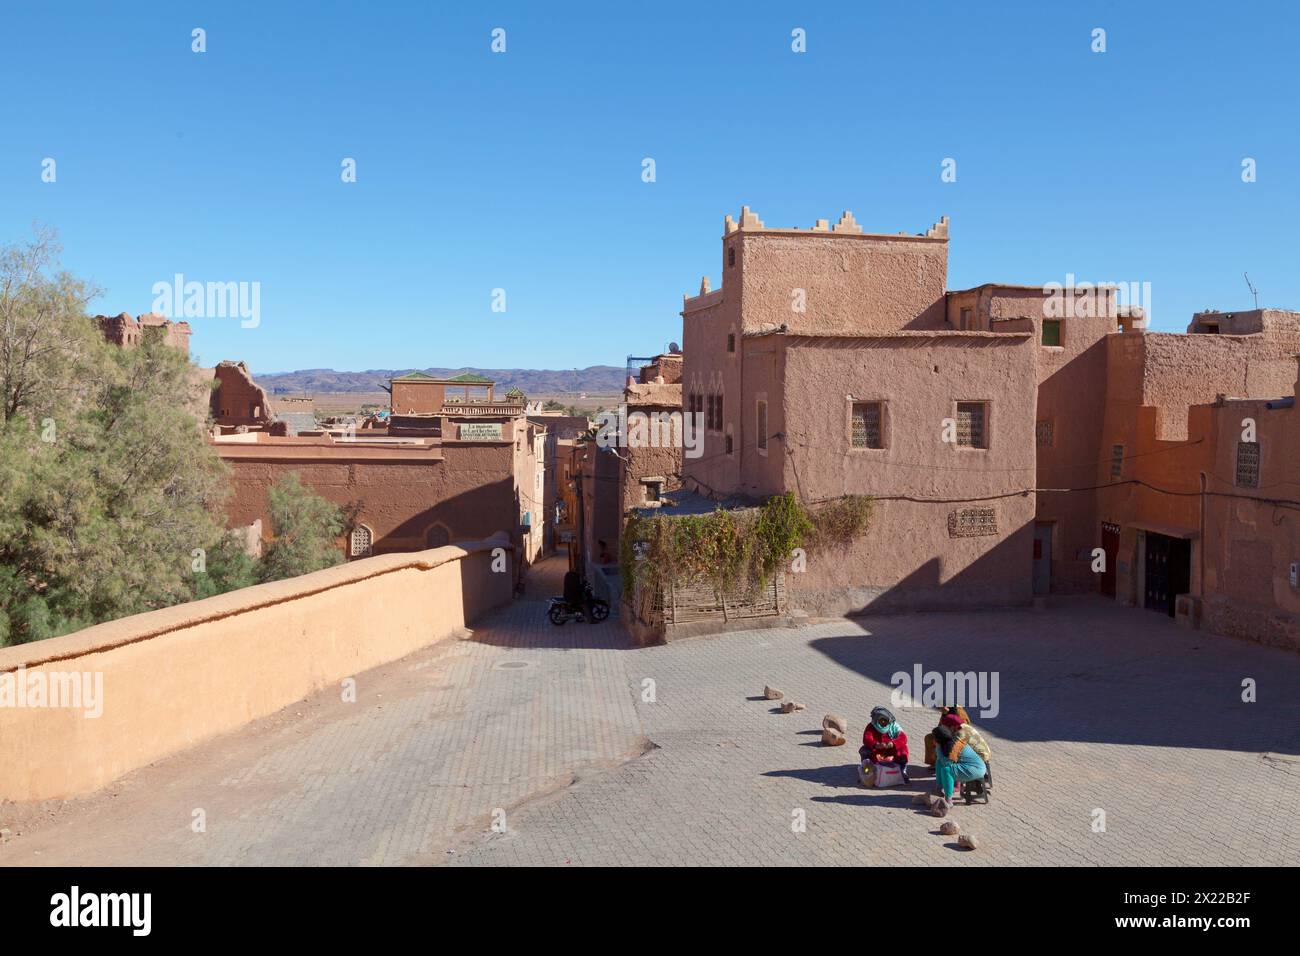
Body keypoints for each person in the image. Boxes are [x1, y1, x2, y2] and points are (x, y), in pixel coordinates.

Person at [931, 723, 987, 814]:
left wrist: (937, 748)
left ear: (939, 739)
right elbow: (942, 761)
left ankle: (949, 800)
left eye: (934, 738)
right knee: (939, 761)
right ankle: (938, 789)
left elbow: (946, 764)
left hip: (975, 769)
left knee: (947, 770)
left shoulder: (953, 747)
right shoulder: (948, 743)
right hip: (970, 766)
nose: (932, 740)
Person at [860, 706, 910, 784]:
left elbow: (903, 738)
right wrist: (876, 745)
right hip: (877, 751)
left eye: (885, 720)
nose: (883, 722)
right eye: (881, 720)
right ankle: (867, 772)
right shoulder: (871, 726)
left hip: (890, 751)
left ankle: (902, 771)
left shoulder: (894, 726)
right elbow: (866, 739)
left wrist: (892, 744)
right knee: (865, 750)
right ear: (876, 719)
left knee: (903, 749)